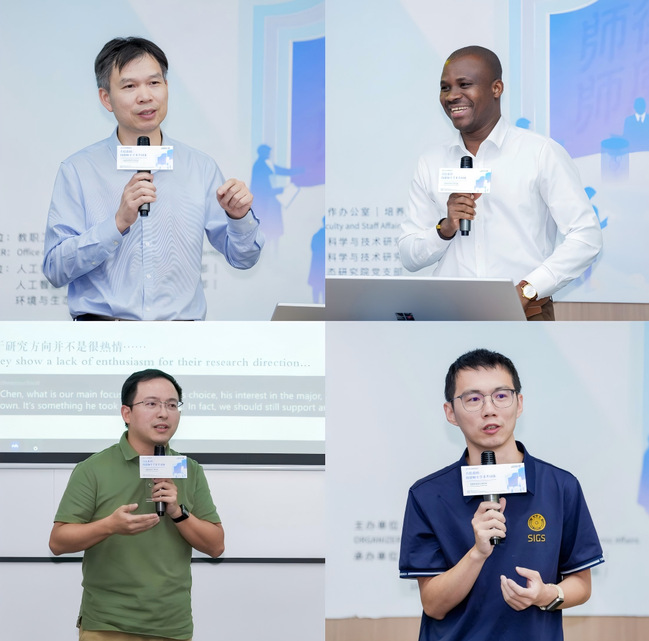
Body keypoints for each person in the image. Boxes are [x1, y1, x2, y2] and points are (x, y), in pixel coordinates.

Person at [43, 37, 264, 320]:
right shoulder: (78, 170)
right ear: (106, 98)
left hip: (180, 337)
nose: (145, 96)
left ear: (167, 87)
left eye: (154, 83)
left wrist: (238, 217)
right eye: (129, 86)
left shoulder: (200, 168)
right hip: (104, 337)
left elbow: (244, 258)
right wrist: (117, 223)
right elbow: (55, 269)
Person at [399, 349, 604, 641]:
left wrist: (546, 594)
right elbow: (433, 605)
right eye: (473, 399)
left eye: (501, 396)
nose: (489, 410)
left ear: (519, 403)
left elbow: (581, 584)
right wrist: (477, 553)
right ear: (450, 413)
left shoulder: (560, 486)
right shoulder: (428, 495)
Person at [399, 46, 602, 320]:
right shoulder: (431, 162)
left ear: (496, 88)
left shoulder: (540, 153)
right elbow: (409, 256)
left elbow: (586, 237)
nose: (452, 96)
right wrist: (444, 228)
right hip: (450, 316)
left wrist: (528, 290)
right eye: (445, 88)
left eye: (464, 85)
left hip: (525, 311)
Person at [49, 369, 224, 640]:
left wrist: (178, 512)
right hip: (107, 625)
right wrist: (110, 526)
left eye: (172, 405)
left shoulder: (189, 469)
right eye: (152, 403)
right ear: (126, 413)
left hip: (172, 625)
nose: (163, 413)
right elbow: (58, 542)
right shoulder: (93, 469)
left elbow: (216, 546)